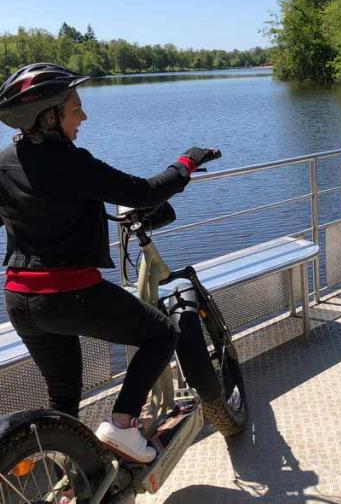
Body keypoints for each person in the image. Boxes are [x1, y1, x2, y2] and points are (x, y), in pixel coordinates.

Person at [0, 63, 219, 463]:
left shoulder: (4, 163)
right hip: (70, 295)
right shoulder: (70, 162)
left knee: (63, 398)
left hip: (19, 300)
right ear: (48, 116)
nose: (84, 117)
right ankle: (121, 425)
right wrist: (186, 162)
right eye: (75, 109)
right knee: (161, 334)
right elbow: (145, 192)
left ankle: (73, 474)